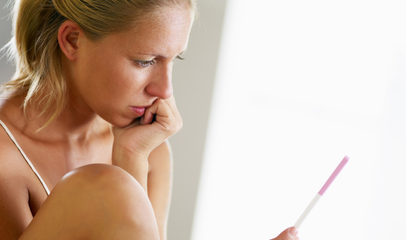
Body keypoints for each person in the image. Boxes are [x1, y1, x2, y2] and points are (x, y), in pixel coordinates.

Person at [0, 0, 299, 239]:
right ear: (73, 40)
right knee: (105, 187)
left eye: (174, 59)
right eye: (145, 61)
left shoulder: (148, 148)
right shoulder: (5, 158)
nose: (165, 89)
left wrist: (132, 157)